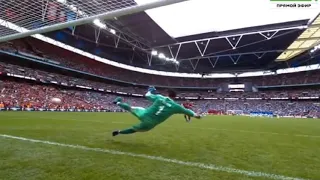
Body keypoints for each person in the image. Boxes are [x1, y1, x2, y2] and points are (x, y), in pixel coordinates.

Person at [112, 87, 201, 136]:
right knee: (134, 129)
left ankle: (118, 102)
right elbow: (191, 113)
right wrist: (198, 116)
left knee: (131, 108)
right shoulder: (176, 107)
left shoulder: (159, 97)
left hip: (144, 114)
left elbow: (147, 95)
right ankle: (119, 132)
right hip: (150, 123)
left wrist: (150, 89)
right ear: (174, 97)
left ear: (168, 94)